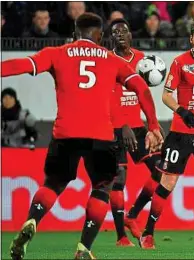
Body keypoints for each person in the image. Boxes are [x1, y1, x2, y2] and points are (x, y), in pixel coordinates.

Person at [1, 12, 163, 259]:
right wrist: (152, 124)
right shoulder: (112, 59)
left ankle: (32, 220)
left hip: (65, 133)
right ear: (99, 36)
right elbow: (141, 88)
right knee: (102, 187)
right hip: (101, 135)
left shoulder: (57, 53)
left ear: (76, 33)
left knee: (53, 183)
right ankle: (84, 248)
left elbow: (22, 65)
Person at [139, 18, 194, 250]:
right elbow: (166, 95)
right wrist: (181, 110)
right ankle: (147, 233)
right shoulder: (180, 63)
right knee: (168, 182)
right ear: (191, 38)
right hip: (181, 133)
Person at [108, 18, 163, 247]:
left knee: (161, 170)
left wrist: (153, 126)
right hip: (112, 128)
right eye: (115, 32)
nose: (120, 34)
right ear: (111, 38)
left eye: (124, 30)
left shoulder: (143, 60)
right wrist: (122, 126)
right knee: (119, 179)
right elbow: (104, 97)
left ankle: (133, 214)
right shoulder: (106, 61)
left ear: (131, 35)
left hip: (138, 127)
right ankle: (121, 236)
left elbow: (145, 96)